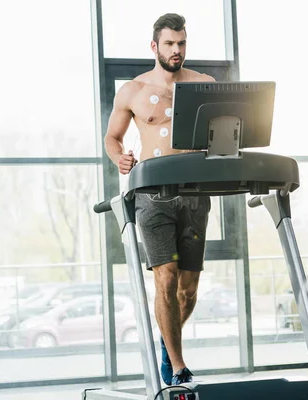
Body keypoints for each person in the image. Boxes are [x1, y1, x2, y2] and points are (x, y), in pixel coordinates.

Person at [103, 13, 215, 386]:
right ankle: (179, 366)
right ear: (155, 47)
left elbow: (226, 130)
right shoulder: (133, 90)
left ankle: (167, 345)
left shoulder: (204, 86)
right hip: (152, 195)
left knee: (188, 288)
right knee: (165, 279)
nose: (177, 50)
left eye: (182, 43)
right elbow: (112, 138)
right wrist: (119, 156)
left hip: (195, 194)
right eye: (169, 44)